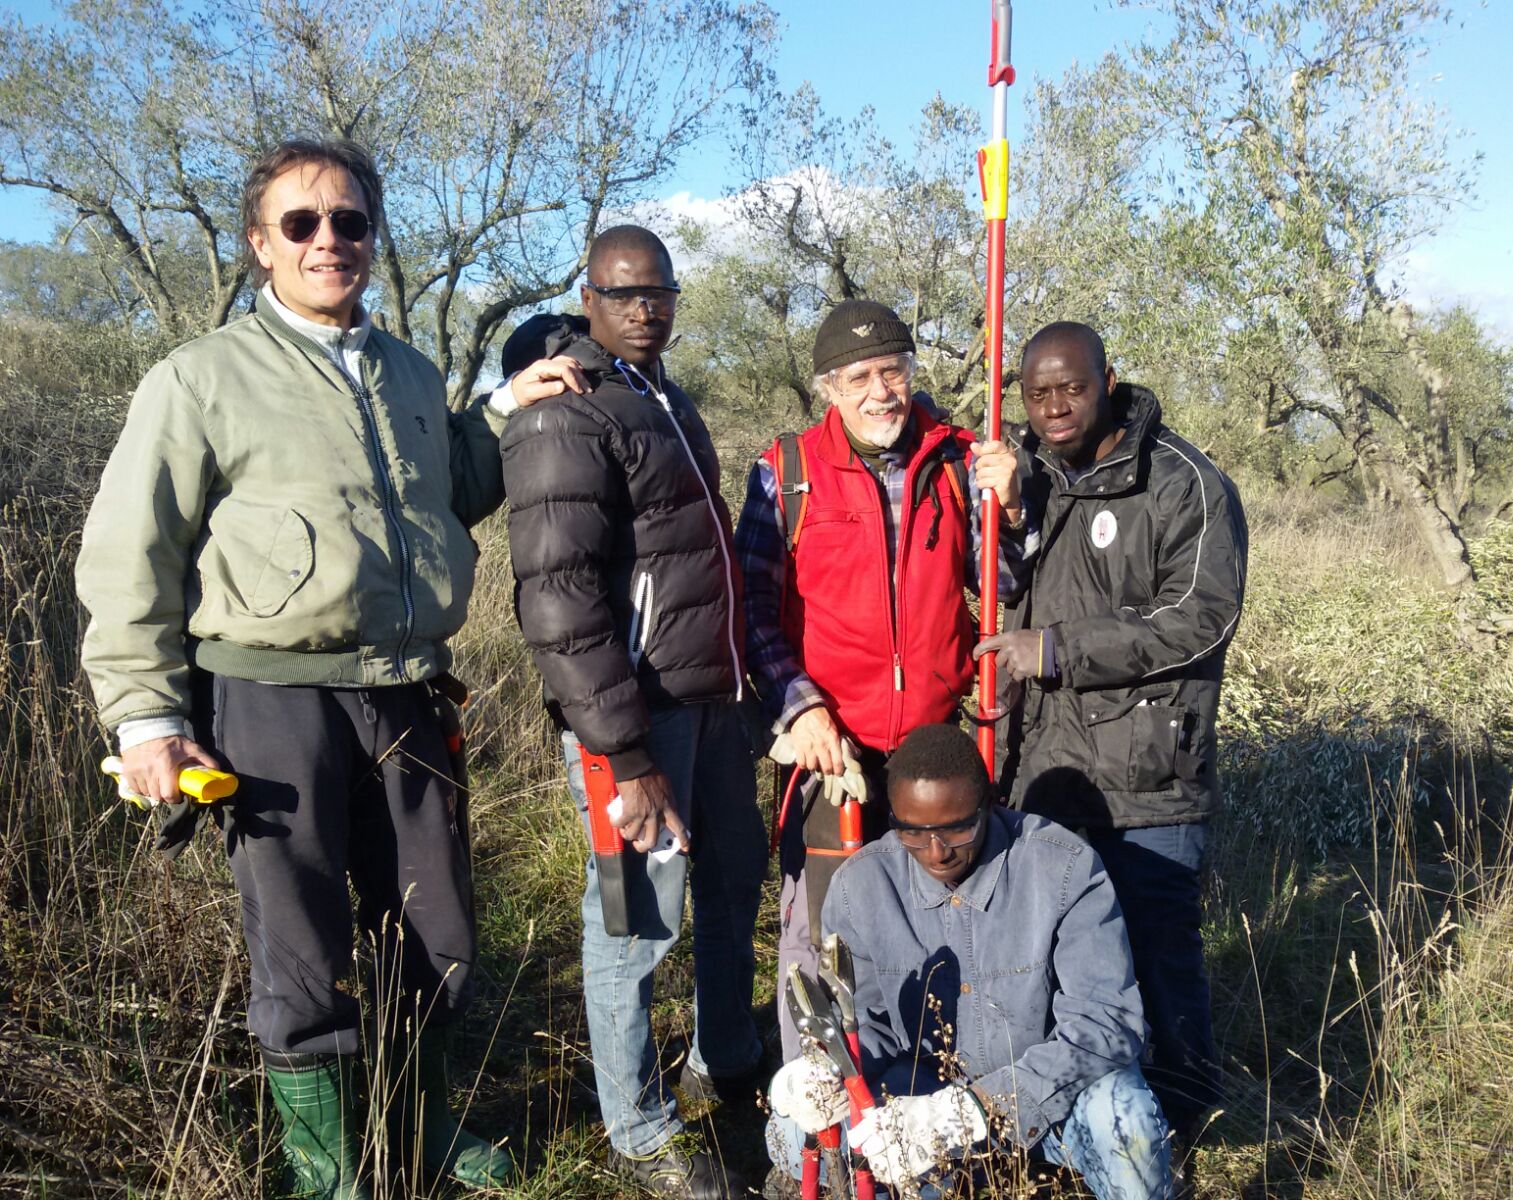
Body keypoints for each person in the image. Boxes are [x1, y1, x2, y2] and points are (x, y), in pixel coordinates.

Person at [75, 139, 579, 1197]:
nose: (328, 240)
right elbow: (133, 549)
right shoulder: (201, 378)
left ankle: (425, 1122)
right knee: (300, 942)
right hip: (266, 695)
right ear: (260, 245)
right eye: (300, 223)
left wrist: (508, 409)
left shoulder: (405, 370)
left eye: (348, 221)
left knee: (435, 926)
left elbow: (453, 490)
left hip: (407, 687)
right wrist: (145, 715)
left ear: (371, 236)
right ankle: (327, 1168)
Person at [499, 225, 766, 1200]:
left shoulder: (667, 399)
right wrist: (620, 746)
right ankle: (640, 1132)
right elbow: (559, 600)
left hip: (710, 703)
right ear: (590, 295)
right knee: (633, 920)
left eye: (660, 291)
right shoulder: (566, 412)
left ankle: (727, 1058)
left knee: (735, 879)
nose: (646, 308)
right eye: (624, 293)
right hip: (634, 722)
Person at [733, 298, 1027, 1068]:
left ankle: (922, 1093)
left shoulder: (959, 459)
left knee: (941, 922)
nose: (880, 391)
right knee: (823, 938)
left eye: (892, 370)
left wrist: (1016, 507)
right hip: (835, 752)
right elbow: (750, 608)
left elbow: (1005, 584)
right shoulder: (785, 473)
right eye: (858, 376)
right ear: (829, 387)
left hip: (937, 745)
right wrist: (799, 706)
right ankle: (817, 1123)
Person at [975, 321, 1248, 1144]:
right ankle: (1076, 1125)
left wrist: (1056, 651)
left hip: (1148, 775)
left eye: (1073, 387)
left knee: (1158, 952)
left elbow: (1200, 619)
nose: (1055, 407)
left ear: (1109, 380)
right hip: (1042, 767)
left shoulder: (1184, 482)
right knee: (1056, 956)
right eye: (1037, 392)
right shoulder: (1020, 478)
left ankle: (1181, 1123)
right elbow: (992, 592)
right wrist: (1011, 514)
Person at [768, 724, 1172, 1199]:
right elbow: (867, 1026)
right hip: (918, 1104)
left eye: (958, 828)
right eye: (913, 833)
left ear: (990, 802)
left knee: (1126, 1122)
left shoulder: (1063, 867)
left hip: (1054, 1103)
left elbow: (1107, 1023)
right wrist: (828, 1075)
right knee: (794, 1133)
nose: (937, 853)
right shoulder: (860, 885)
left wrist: (977, 1109)